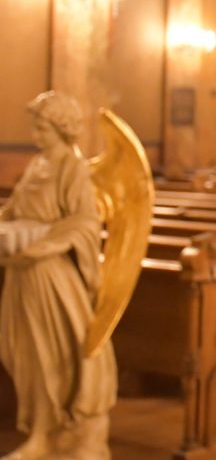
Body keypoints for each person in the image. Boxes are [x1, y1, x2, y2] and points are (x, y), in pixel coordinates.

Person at [0, 92, 116, 460]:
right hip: (23, 272)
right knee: (31, 358)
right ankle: (38, 434)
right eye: (34, 124)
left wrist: (47, 245)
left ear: (62, 128)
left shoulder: (72, 167)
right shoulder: (39, 165)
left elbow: (85, 222)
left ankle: (69, 434)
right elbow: (15, 208)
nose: (35, 132)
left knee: (59, 353)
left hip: (52, 275)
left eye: (42, 125)